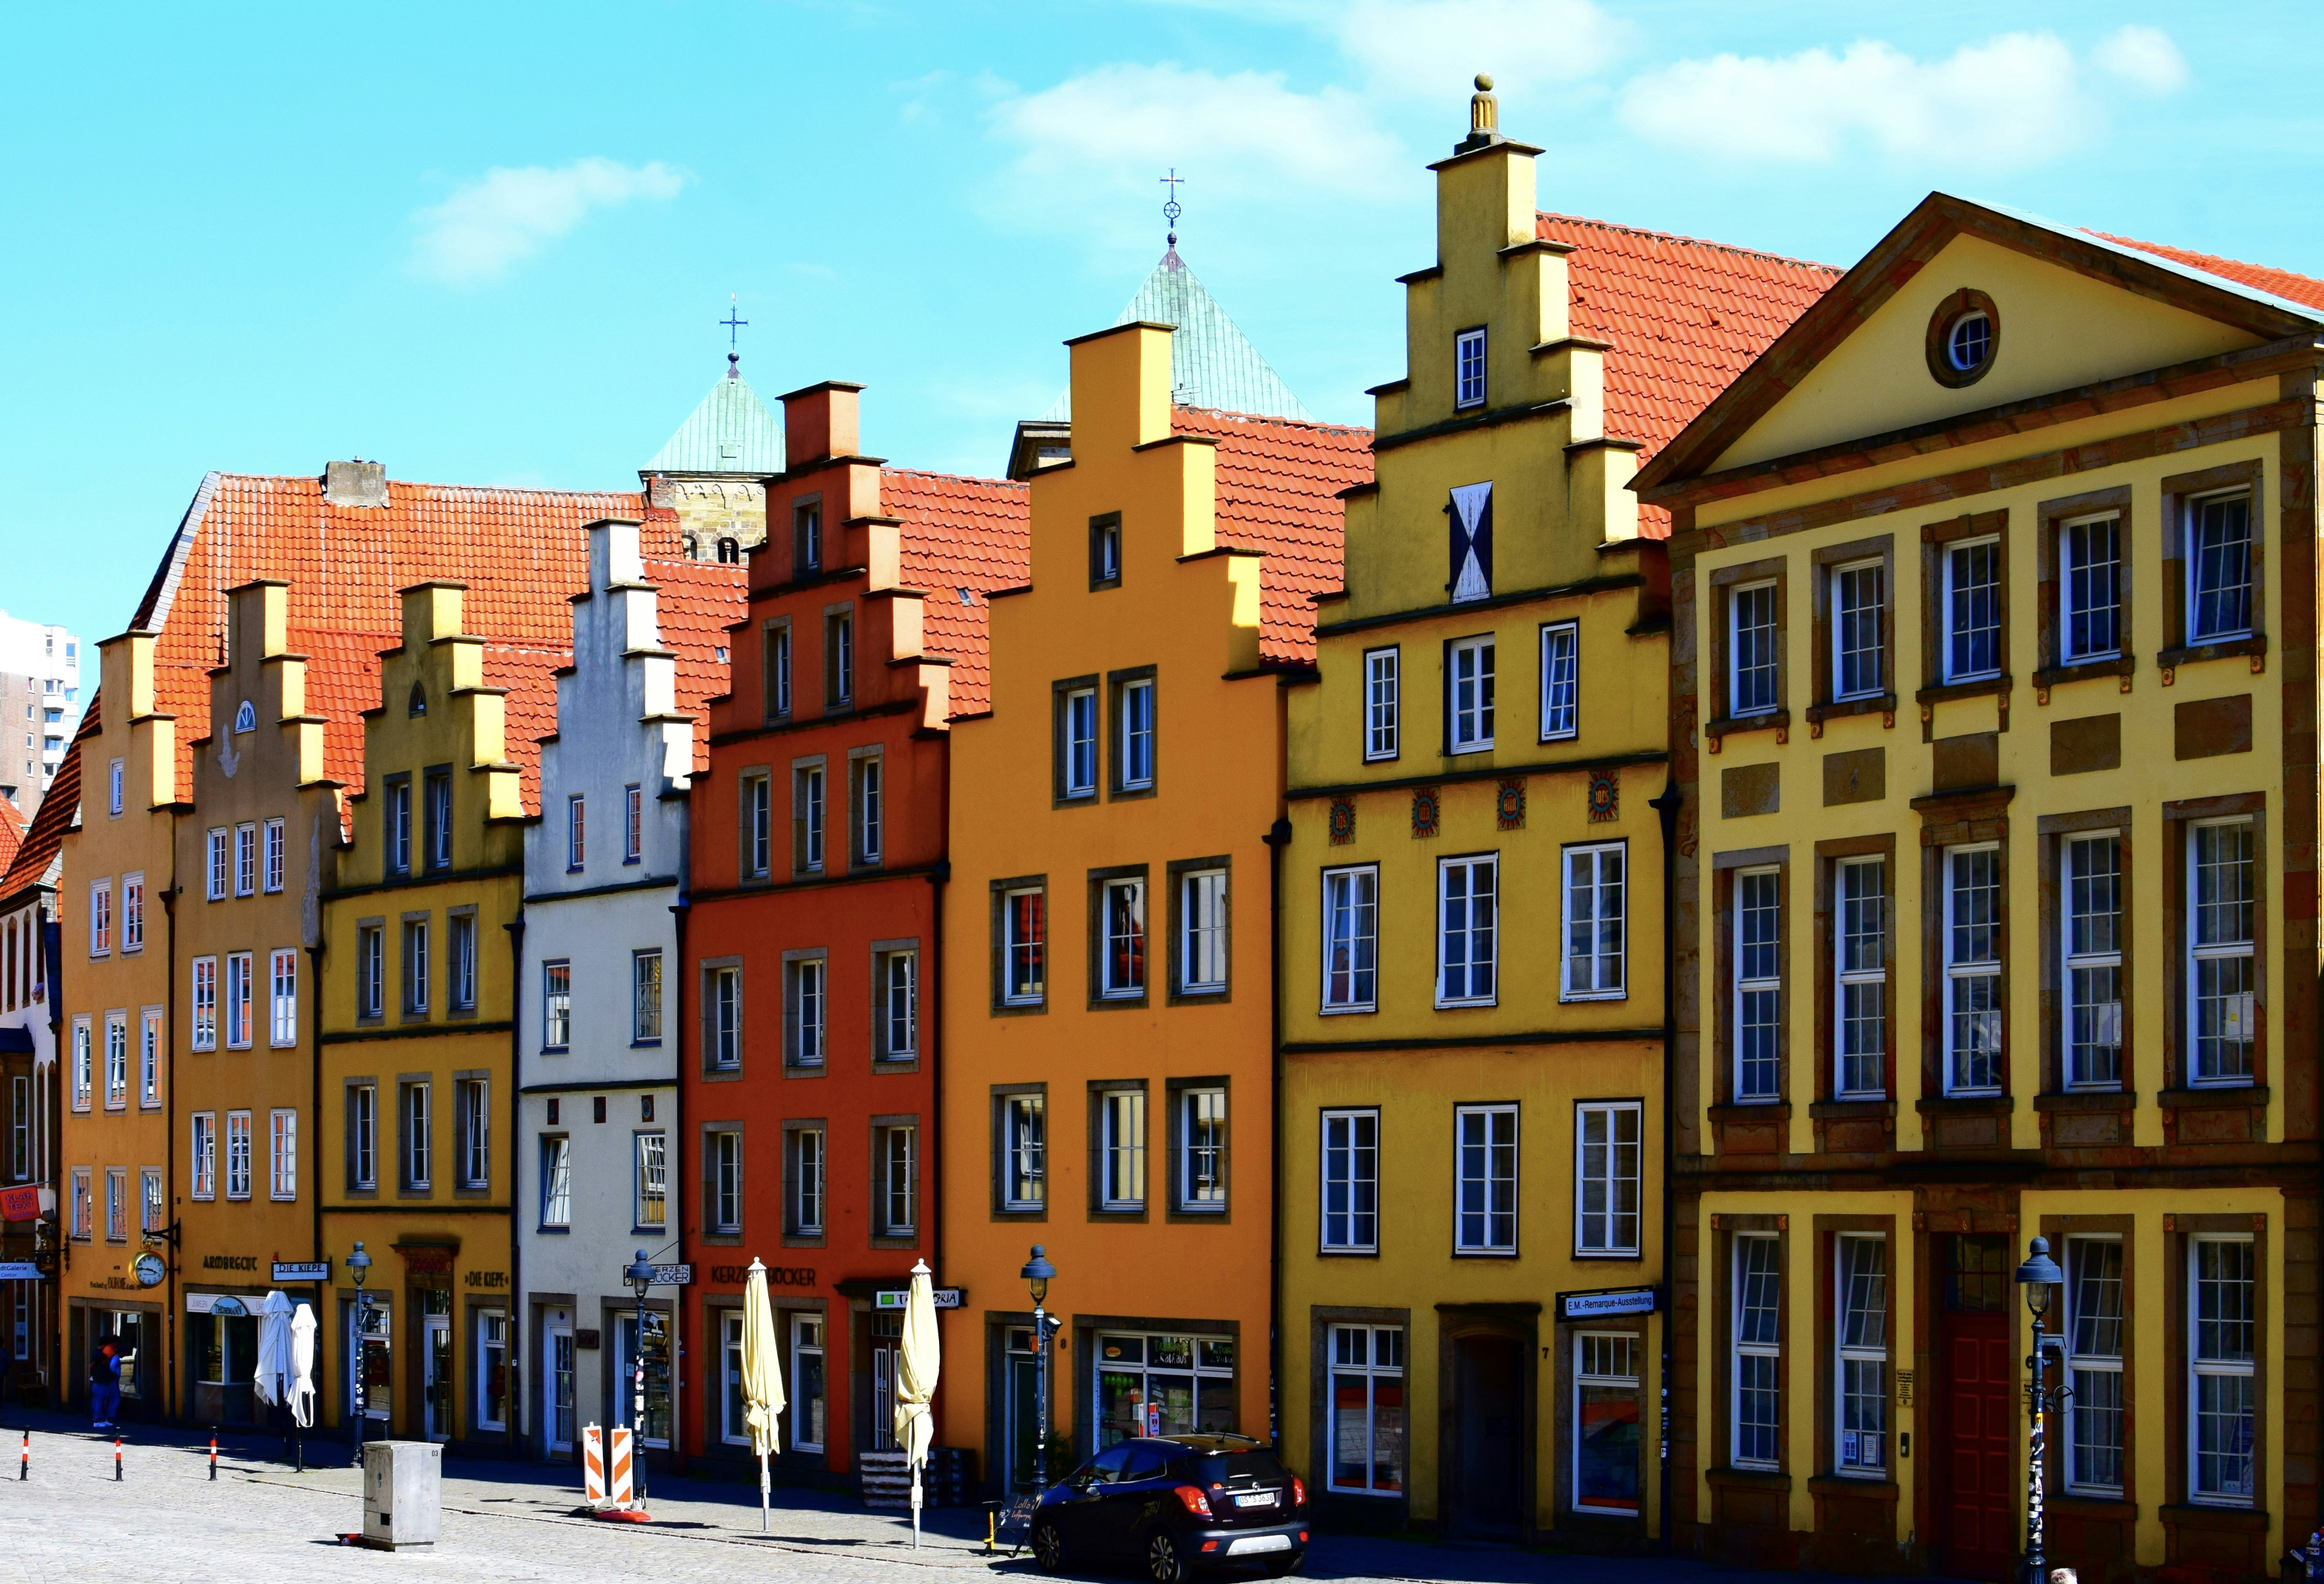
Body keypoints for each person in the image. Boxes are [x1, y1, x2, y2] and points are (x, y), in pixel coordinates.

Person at [89, 1339, 120, 1430]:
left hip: (95, 1386)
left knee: (95, 1403)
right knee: (100, 1403)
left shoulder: (95, 1367)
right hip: (101, 1386)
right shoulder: (102, 1368)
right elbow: (109, 1376)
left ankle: (98, 1420)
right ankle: (98, 1421)